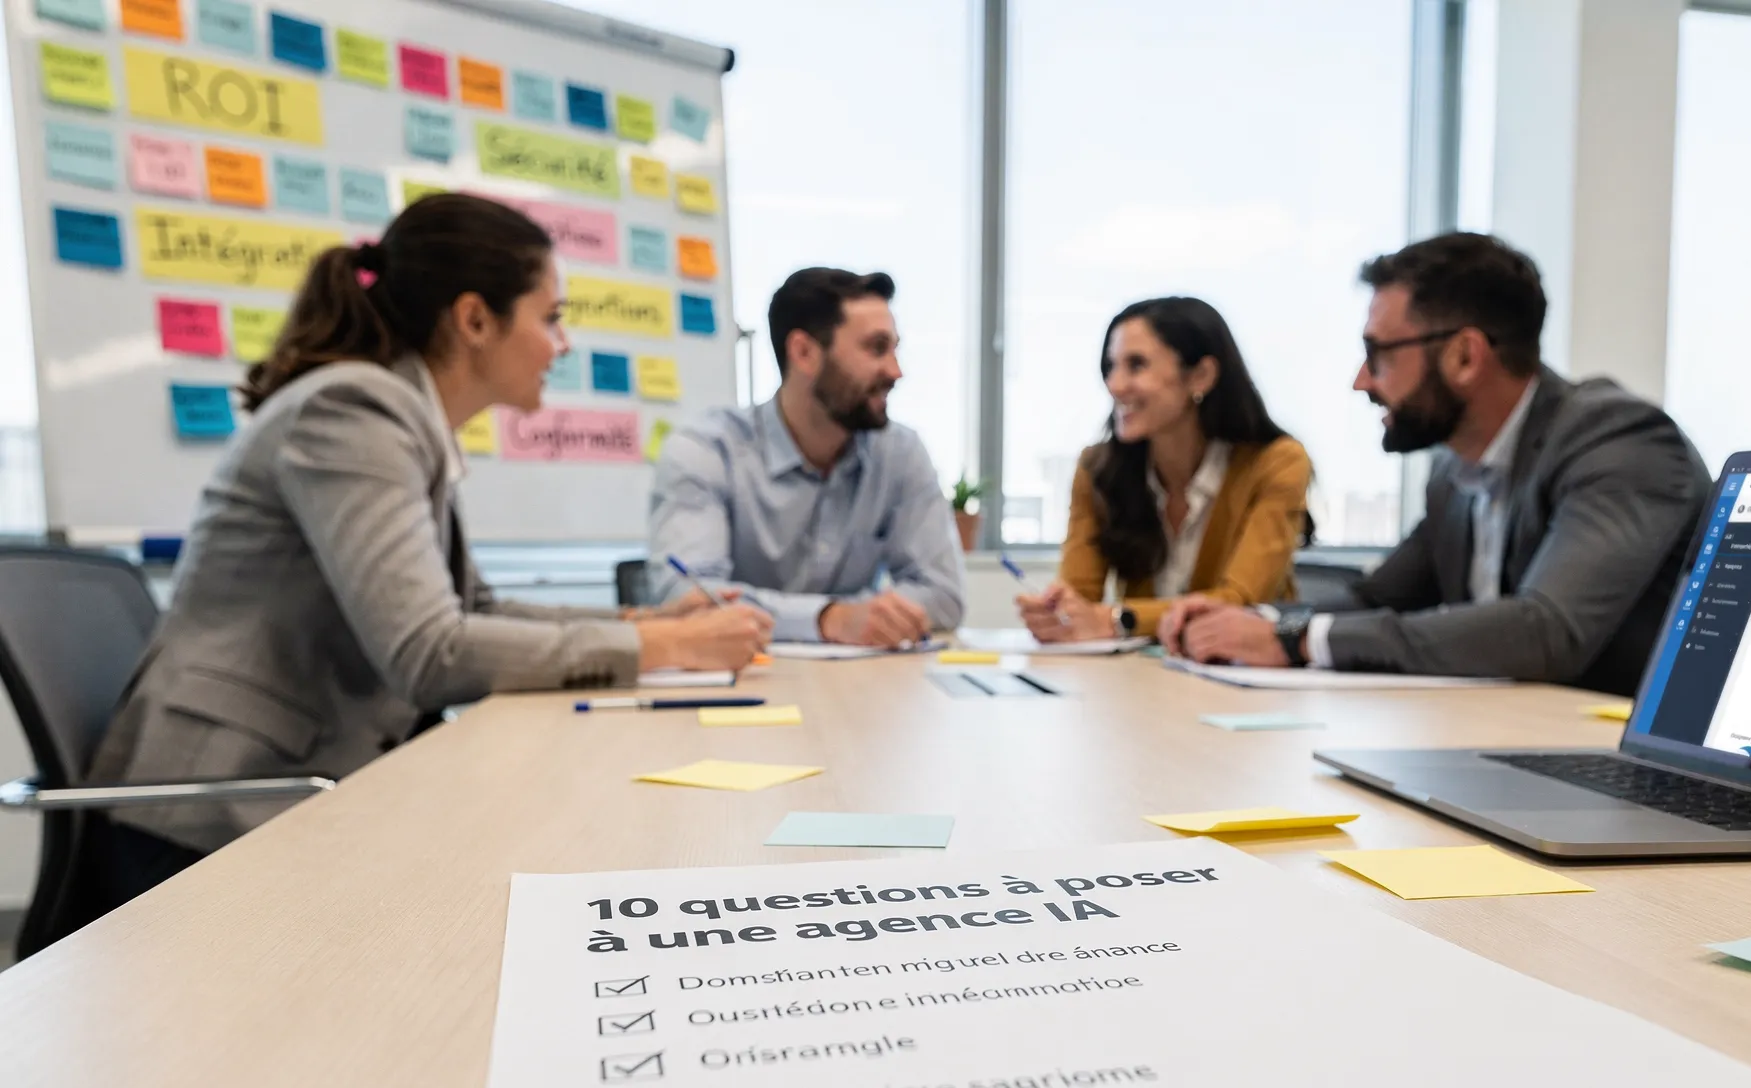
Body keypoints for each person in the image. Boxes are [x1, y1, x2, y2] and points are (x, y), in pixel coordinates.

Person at [84, 193, 773, 900]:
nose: (562, 346)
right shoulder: (352, 411)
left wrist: (644, 625)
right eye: (552, 318)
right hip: (210, 815)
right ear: (475, 319)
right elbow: (430, 652)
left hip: (284, 789)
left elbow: (476, 607)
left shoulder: (400, 417)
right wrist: (672, 649)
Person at [1162, 232, 1709, 694]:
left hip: (1615, 768)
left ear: (1465, 356)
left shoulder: (1619, 441)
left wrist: (1296, 641)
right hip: (1507, 741)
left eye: (1379, 354)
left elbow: (1545, 632)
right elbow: (1373, 600)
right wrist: (1255, 621)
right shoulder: (1454, 473)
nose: (1361, 380)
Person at [647, 268, 965, 645]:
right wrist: (826, 620)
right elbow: (690, 599)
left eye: (896, 349)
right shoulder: (707, 450)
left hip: (858, 688)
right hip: (740, 686)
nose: (896, 371)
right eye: (876, 348)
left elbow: (944, 595)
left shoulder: (900, 453)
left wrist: (862, 617)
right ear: (804, 353)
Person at [1018, 297, 1312, 641]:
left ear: (1200, 376)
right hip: (1143, 677)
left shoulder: (1276, 463)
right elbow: (1082, 598)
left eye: (1137, 365)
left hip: (1244, 677)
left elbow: (1239, 604)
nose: (1115, 384)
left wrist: (1118, 620)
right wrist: (1061, 615)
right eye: (1111, 366)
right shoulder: (1098, 469)